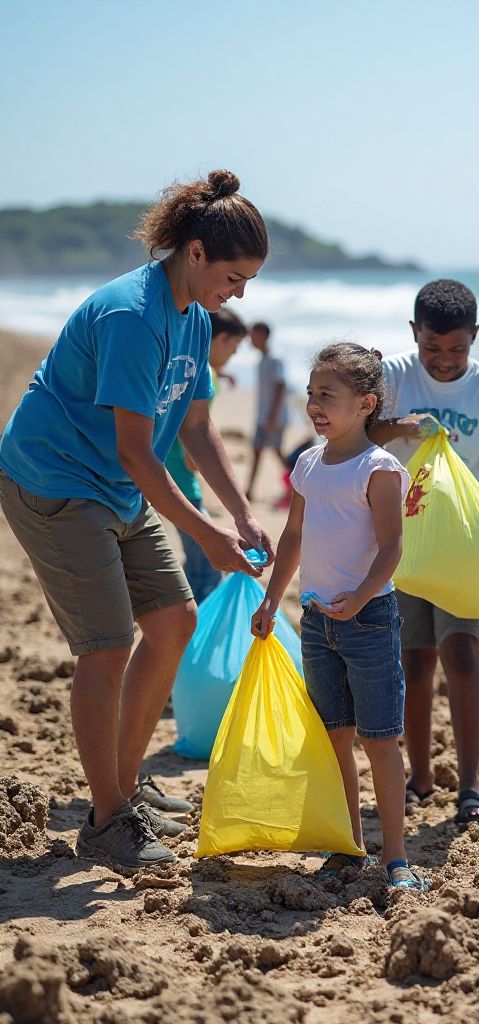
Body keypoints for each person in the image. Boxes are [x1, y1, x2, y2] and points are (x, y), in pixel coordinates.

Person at [0, 170, 274, 872]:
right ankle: (106, 818)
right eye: (234, 277)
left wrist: (238, 511)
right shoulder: (133, 316)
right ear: (195, 254)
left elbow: (198, 430)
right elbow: (133, 450)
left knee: (175, 621)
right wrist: (205, 533)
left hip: (117, 488)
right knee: (107, 645)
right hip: (55, 480)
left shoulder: (192, 319)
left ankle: (121, 790)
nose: (239, 293)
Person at [251, 342, 427, 890]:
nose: (315, 405)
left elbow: (392, 547)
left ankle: (395, 857)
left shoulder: (379, 468)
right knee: (334, 740)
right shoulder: (307, 462)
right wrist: (270, 598)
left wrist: (359, 597)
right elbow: (295, 535)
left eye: (328, 395)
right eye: (311, 395)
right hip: (316, 622)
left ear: (367, 403)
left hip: (369, 620)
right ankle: (349, 845)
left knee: (379, 740)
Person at [369, 279, 479, 824]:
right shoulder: (392, 375)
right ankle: (420, 777)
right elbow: (356, 432)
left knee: (460, 654)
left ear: (476, 337)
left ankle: (469, 786)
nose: (443, 361)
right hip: (400, 543)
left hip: (466, 549)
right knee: (413, 662)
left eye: (457, 349)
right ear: (413, 333)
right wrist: (403, 426)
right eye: (431, 348)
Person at [165, 307, 249, 604]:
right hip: (181, 481)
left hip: (162, 473)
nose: (233, 356)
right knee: (206, 569)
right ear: (222, 338)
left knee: (196, 562)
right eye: (234, 349)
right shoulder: (206, 377)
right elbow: (193, 432)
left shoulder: (186, 365)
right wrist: (196, 464)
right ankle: (193, 637)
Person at [245, 321, 289, 501]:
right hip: (263, 416)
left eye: (253, 335)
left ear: (263, 335)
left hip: (273, 417)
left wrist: (272, 415)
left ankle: (299, 483)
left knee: (276, 451)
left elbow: (281, 386)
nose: (251, 340)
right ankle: (249, 490)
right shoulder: (262, 359)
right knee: (257, 450)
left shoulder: (274, 358)